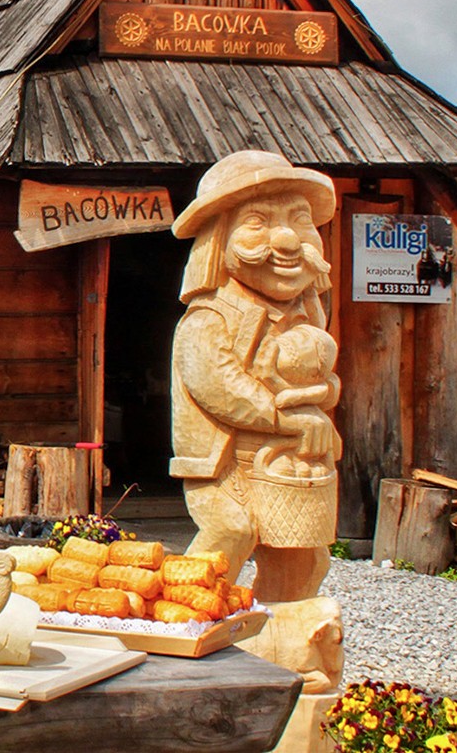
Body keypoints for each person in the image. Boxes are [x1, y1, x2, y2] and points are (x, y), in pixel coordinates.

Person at [170, 150, 341, 601]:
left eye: (299, 220)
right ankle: (183, 620)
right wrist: (287, 418)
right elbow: (219, 385)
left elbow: (318, 381)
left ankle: (281, 639)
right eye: (258, 222)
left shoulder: (307, 315)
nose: (286, 241)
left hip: (288, 464)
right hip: (221, 467)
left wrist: (324, 395)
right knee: (232, 532)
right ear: (217, 239)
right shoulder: (210, 317)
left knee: (305, 556)